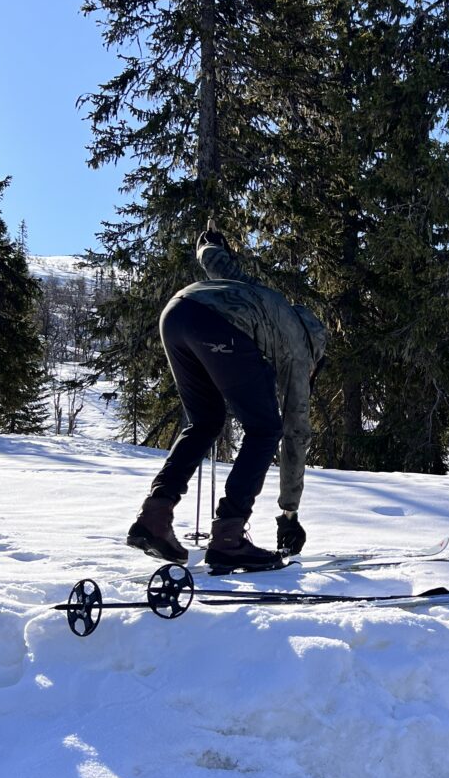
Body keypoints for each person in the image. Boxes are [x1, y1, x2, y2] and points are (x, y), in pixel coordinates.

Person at [126, 225, 327, 573]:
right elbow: (296, 433)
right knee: (265, 430)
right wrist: (288, 514)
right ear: (316, 354)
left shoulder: (268, 301)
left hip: (176, 314)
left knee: (205, 422)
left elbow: (224, 268)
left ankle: (154, 518)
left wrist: (208, 246)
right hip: (216, 324)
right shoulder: (299, 349)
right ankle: (229, 538)